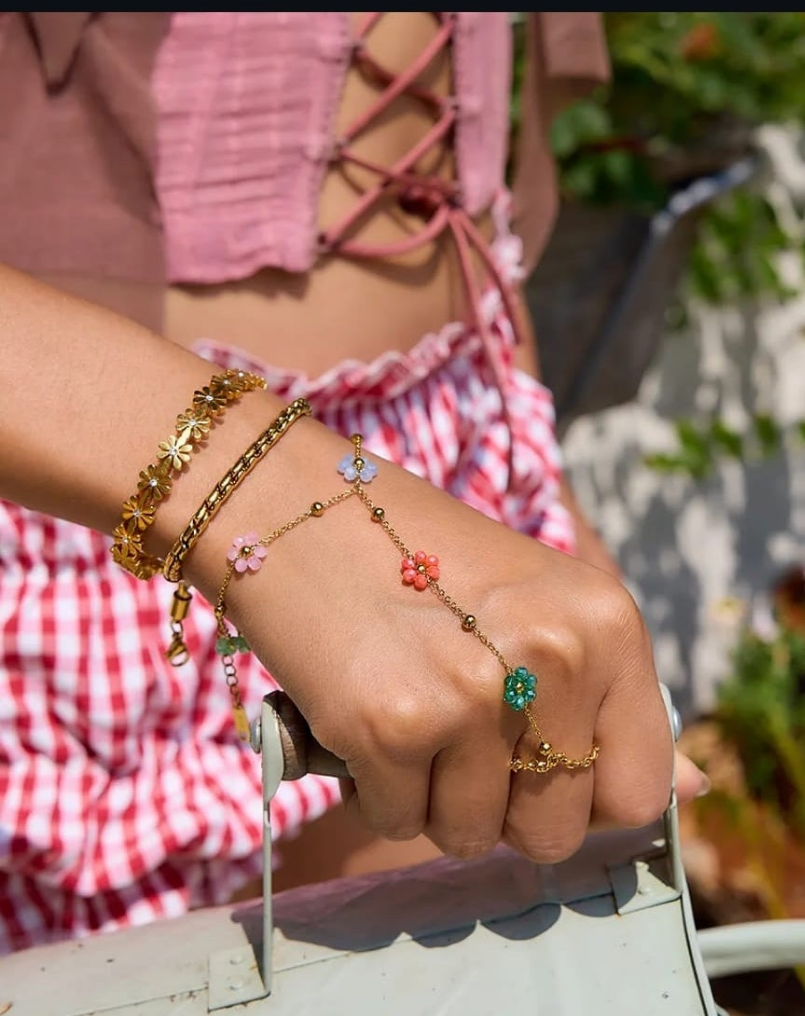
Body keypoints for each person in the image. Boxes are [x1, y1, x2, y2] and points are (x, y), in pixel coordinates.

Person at [0, 12, 706, 954]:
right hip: (92, 503)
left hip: (445, 471)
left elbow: (472, 199)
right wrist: (260, 488)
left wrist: (545, 500)